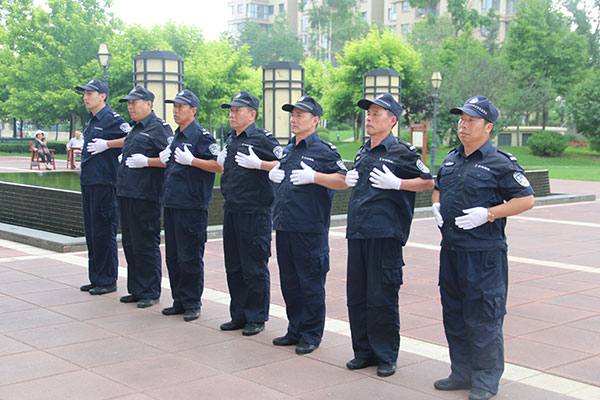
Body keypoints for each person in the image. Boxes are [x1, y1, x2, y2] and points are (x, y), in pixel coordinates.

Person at [431, 96, 534, 400]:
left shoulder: (500, 162)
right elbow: (438, 187)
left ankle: (486, 381)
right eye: (461, 119)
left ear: (488, 127)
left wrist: (488, 214)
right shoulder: (451, 159)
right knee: (454, 314)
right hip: (451, 250)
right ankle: (461, 374)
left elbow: (526, 199)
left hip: (483, 255)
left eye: (471, 120)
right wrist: (436, 205)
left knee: (483, 319)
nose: (462, 125)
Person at [344, 93, 434, 377]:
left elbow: (428, 182)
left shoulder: (402, 152)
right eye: (368, 113)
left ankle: (385, 354)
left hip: (385, 234)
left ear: (392, 120)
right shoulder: (363, 151)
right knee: (357, 295)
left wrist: (398, 184)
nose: (369, 118)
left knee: (381, 296)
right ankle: (363, 352)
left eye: (376, 113)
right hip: (358, 232)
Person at [267, 96, 347, 354]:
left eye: (300, 115)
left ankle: (311, 334)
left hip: (309, 229)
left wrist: (315, 177)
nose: (294, 119)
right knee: (290, 283)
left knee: (310, 284)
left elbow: (343, 180)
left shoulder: (324, 150)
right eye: (293, 114)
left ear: (315, 120)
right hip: (285, 226)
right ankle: (295, 329)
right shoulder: (288, 149)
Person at [218, 90, 282, 336]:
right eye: (231, 111)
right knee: (234, 265)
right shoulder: (231, 138)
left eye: (238, 111)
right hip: (232, 208)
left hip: (254, 211)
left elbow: (284, 164)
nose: (232, 115)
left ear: (252, 114)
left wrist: (260, 165)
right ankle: (239, 314)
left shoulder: (262, 139)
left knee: (253, 265)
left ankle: (256, 316)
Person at [159, 89, 222, 322]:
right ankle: (179, 299)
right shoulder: (176, 135)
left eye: (180, 107)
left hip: (192, 205)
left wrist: (193, 161)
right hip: (173, 202)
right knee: (173, 255)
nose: (176, 111)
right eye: (174, 107)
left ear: (193, 110)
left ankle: (192, 302)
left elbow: (218, 165)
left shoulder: (202, 137)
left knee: (190, 255)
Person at [116, 86, 173, 309]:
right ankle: (137, 288)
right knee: (130, 243)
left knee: (146, 243)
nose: (130, 107)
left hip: (146, 195)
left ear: (149, 104)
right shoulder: (135, 128)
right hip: (127, 192)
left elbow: (170, 159)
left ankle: (150, 290)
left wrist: (147, 162)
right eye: (129, 104)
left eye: (134, 103)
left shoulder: (159, 128)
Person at [75, 78, 129, 296]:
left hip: (105, 183)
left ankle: (107, 279)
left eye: (90, 94)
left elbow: (130, 137)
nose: (85, 97)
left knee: (104, 232)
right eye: (84, 94)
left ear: (102, 96)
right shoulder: (92, 119)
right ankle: (96, 277)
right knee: (92, 232)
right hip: (89, 181)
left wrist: (108, 144)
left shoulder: (112, 119)